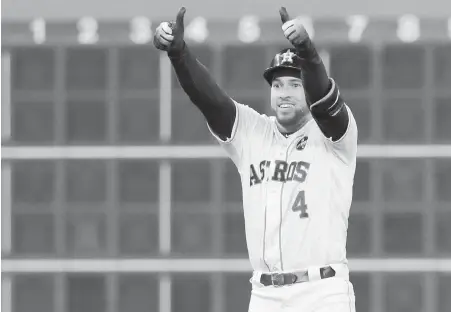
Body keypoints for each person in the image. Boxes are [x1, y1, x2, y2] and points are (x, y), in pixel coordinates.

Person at [153, 6, 358, 312]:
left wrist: (307, 52)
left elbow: (323, 97)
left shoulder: (335, 135)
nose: (284, 93)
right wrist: (179, 54)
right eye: (277, 85)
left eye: (294, 84)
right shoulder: (253, 132)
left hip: (322, 292)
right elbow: (210, 100)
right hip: (265, 295)